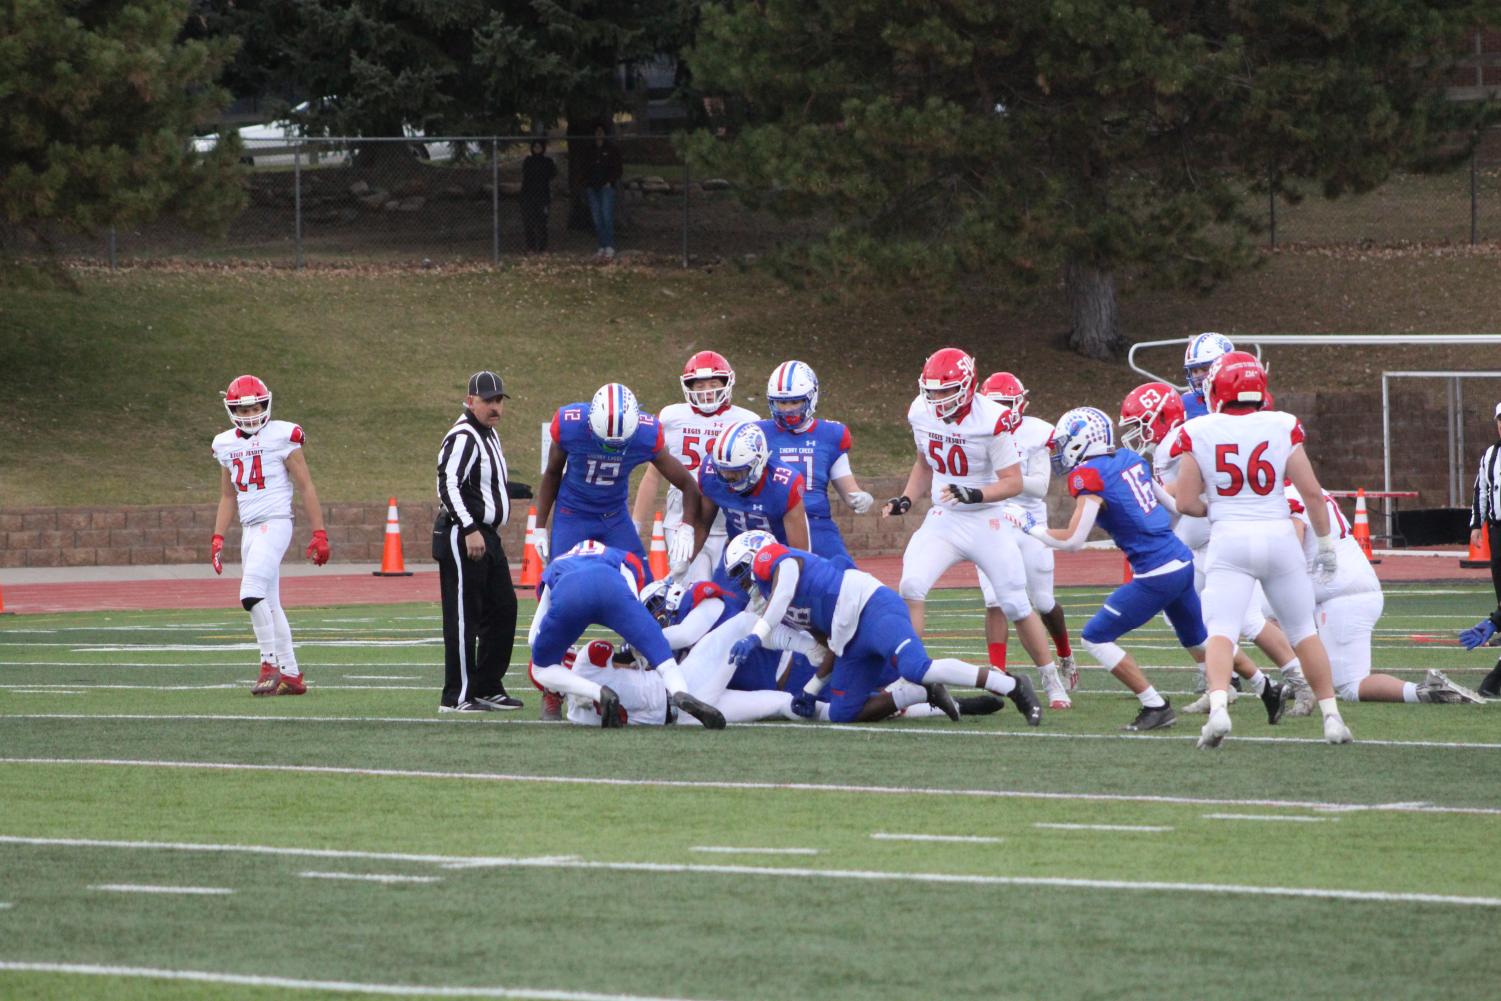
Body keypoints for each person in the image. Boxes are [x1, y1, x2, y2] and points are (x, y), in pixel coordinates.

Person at [1005, 408, 1286, 732]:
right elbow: (1173, 505)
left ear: (1080, 441)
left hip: (1156, 572)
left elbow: (1072, 541)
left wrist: (1030, 527)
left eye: (1065, 442)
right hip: (1180, 560)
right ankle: (1268, 688)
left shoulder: (1088, 476)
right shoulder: (1129, 459)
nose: (1060, 451)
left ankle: (1155, 705)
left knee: (1095, 637)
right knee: (1200, 641)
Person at [1171, 351, 1353, 747]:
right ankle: (1332, 716)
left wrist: (1218, 507)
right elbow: (1311, 494)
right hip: (1278, 536)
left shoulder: (1199, 429)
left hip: (1230, 538)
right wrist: (1324, 544)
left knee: (1220, 631)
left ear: (1217, 387)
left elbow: (1185, 502)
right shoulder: (1282, 424)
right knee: (1305, 632)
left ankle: (1219, 709)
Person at [884, 347, 1069, 703]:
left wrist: (976, 494)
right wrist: (906, 498)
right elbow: (924, 465)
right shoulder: (920, 412)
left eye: (945, 391)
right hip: (945, 516)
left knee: (1015, 602)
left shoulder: (992, 420)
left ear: (968, 386)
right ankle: (910, 675)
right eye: (932, 391)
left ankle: (1051, 679)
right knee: (911, 584)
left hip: (986, 518)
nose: (937, 399)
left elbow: (1013, 482)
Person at [1125, 380, 1315, 716]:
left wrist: (1141, 490)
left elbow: (1183, 493)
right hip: (1200, 536)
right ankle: (1221, 684)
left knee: (1247, 619)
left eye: (1141, 421)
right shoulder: (1175, 440)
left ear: (1163, 417)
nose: (1137, 431)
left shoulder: (1181, 439)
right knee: (1186, 614)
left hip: (1217, 533)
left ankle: (1299, 680)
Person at [723, 530, 1042, 724]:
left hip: (871, 607)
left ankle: (1013, 687)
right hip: (850, 639)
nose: (742, 582)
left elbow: (785, 590)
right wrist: (811, 690)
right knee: (841, 714)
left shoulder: (780, 562)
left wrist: (757, 635)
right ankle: (915, 695)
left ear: (757, 555)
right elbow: (833, 643)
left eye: (741, 571)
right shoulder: (784, 603)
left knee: (917, 666)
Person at [1291, 484, 1482, 704]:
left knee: (1351, 686)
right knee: (1278, 613)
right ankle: (1300, 680)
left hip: (1339, 593)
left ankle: (1425, 691)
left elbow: (1291, 553)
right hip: (1354, 583)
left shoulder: (1284, 496)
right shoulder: (1310, 490)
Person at [210, 374, 328, 697]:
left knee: (250, 593)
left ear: (266, 404)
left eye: (254, 408)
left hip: (275, 522)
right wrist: (218, 537)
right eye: (243, 410)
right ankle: (291, 674)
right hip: (250, 530)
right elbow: (227, 496)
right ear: (232, 410)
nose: (250, 416)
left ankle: (268, 663)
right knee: (269, 602)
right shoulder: (225, 444)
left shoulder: (282, 436)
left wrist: (319, 532)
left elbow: (306, 486)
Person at [526, 540, 726, 728]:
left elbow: (533, 637)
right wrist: (641, 641)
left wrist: (553, 652)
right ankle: (680, 691)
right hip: (612, 587)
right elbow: (632, 600)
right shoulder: (621, 557)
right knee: (663, 657)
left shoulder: (556, 565)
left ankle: (597, 692)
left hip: (570, 592)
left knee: (540, 669)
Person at [974, 371, 1075, 701]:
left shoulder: (1036, 432)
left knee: (1043, 601)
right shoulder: (975, 429)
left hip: (1029, 521)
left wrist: (1005, 482)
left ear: (1020, 404)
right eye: (993, 404)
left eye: (1004, 404)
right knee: (994, 601)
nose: (1000, 411)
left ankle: (1065, 656)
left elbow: (1041, 485)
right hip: (991, 520)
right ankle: (998, 673)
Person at [434, 371, 523, 713]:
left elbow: (481, 483)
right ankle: (455, 695)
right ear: (470, 401)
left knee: (503, 609)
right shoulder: (464, 435)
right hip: (463, 534)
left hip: (488, 536)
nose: (495, 406)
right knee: (462, 618)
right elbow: (448, 484)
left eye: (499, 399)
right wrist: (469, 526)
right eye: (488, 400)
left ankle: (487, 685)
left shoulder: (489, 435)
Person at [534, 382, 702, 564]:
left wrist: (687, 528)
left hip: (614, 516)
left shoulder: (646, 436)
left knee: (642, 581)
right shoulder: (570, 426)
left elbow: (688, 485)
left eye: (618, 445)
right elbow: (553, 472)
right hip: (573, 513)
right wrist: (539, 527)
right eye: (606, 444)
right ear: (591, 425)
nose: (611, 451)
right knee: (558, 579)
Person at [632, 351, 759, 582]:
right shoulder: (670, 416)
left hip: (730, 522)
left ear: (727, 383)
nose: (707, 391)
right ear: (688, 386)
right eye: (699, 386)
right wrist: (636, 524)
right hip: (682, 522)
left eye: (713, 383)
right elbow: (652, 476)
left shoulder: (748, 421)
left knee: (730, 600)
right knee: (692, 593)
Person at [756, 360, 874, 568]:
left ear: (811, 397)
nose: (787, 409)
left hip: (816, 522)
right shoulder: (758, 434)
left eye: (795, 402)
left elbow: (847, 486)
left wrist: (858, 496)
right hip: (772, 524)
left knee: (847, 579)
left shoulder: (831, 435)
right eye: (782, 403)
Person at [693, 421, 811, 554]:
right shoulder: (710, 476)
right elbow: (702, 525)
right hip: (736, 553)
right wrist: (684, 562)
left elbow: (800, 553)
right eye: (722, 470)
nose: (727, 477)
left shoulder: (783, 486)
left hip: (779, 556)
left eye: (737, 471)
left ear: (758, 463)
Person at [579, 124, 623, 261]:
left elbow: (618, 169)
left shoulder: (611, 149)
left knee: (606, 216)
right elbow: (583, 168)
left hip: (606, 188)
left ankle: (609, 246)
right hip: (592, 187)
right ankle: (602, 246)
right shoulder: (589, 149)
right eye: (596, 131)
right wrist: (586, 183)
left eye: (601, 131)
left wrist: (610, 181)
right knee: (597, 218)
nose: (599, 134)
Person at [1180, 332, 1235, 420]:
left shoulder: (1241, 399)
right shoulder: (1186, 403)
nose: (1198, 376)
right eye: (1194, 370)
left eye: (1205, 369)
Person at [519, 139, 557, 252]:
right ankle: (531, 246)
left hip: (543, 196)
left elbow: (552, 174)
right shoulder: (528, 160)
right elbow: (526, 175)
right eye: (535, 147)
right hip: (528, 195)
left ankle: (542, 247)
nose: (537, 149)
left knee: (542, 223)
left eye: (539, 147)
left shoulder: (548, 161)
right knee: (529, 222)